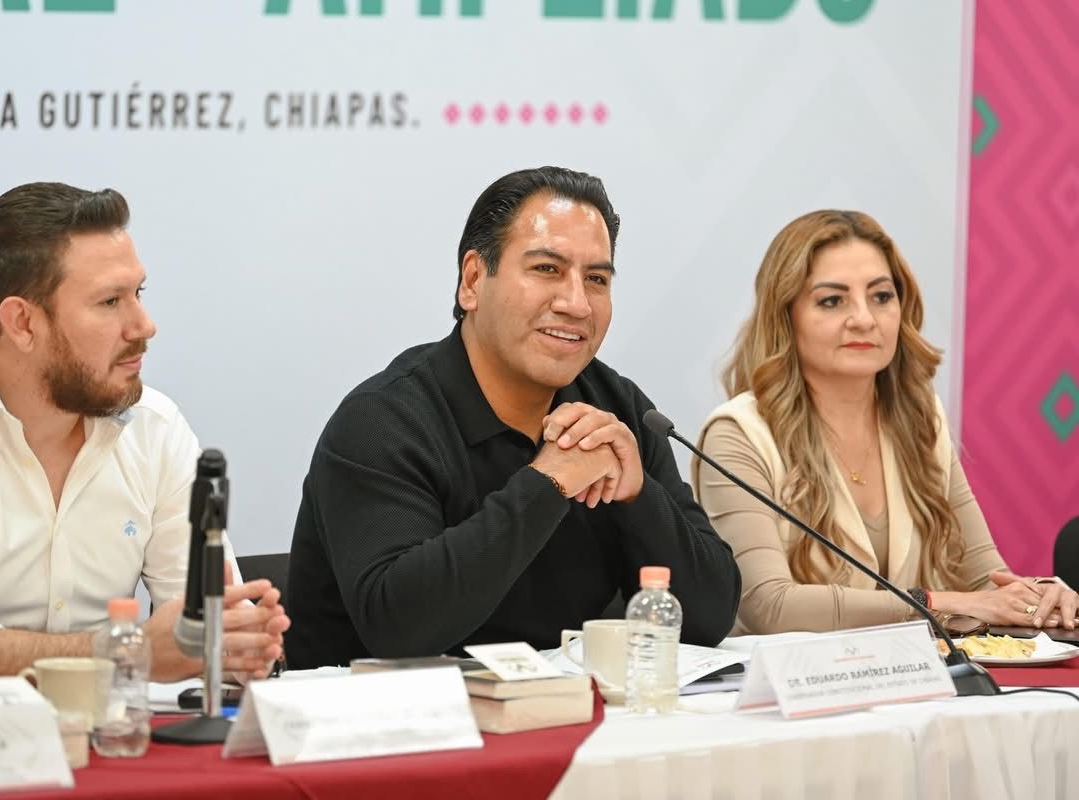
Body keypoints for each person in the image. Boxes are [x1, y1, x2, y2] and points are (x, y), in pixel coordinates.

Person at [285, 166, 741, 668]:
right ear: (473, 281)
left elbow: (709, 619)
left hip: (560, 706)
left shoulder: (617, 412)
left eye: (596, 279)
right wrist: (547, 484)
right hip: (384, 713)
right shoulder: (382, 422)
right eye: (547, 269)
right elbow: (400, 630)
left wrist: (639, 498)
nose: (576, 304)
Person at [0, 182, 289, 693]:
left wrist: (236, 646)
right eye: (110, 301)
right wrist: (127, 652)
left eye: (138, 293)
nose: (144, 325)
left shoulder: (154, 428)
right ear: (22, 323)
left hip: (112, 730)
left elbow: (208, 622)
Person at [695, 209, 1079, 635]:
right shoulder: (738, 435)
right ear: (785, 316)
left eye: (881, 296)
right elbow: (768, 605)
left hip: (905, 674)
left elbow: (986, 581)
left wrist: (1039, 597)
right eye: (832, 300)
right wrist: (934, 603)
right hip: (781, 676)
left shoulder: (920, 418)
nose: (865, 319)